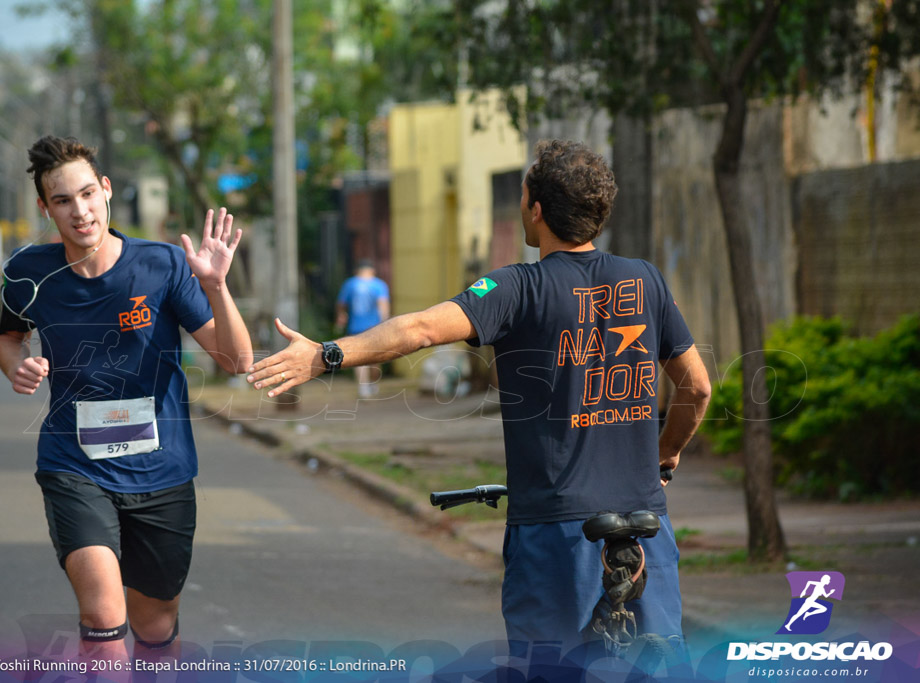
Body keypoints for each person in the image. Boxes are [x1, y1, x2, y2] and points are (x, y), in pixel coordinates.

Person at [247, 140, 711, 651]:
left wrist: (326, 355)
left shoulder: (516, 288)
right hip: (646, 531)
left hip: (556, 535)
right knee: (662, 661)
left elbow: (421, 329)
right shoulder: (645, 279)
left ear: (536, 210)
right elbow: (697, 386)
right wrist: (663, 456)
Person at [0, 136, 253, 665]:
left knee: (154, 626)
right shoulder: (28, 274)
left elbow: (237, 361)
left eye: (87, 193)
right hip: (74, 466)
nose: (80, 210)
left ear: (106, 190)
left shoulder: (161, 266)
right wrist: (16, 366)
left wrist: (218, 288)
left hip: (163, 473)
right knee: (104, 617)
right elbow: (7, 336)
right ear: (45, 208)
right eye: (62, 200)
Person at [335, 259, 389, 397]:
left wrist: (341, 316)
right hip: (375, 327)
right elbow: (383, 305)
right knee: (375, 357)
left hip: (356, 326)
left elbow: (341, 304)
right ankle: (371, 383)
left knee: (359, 358)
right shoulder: (379, 285)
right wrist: (386, 323)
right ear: (372, 270)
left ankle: (363, 387)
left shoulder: (350, 284)